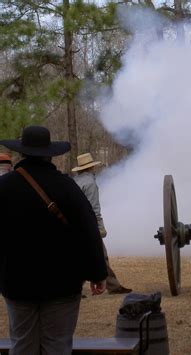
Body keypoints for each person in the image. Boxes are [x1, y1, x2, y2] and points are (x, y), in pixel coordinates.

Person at [0, 126, 107, 354]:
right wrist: (98, 274)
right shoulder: (68, 187)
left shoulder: (4, 187)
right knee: (57, 346)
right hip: (63, 283)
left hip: (17, 282)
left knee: (22, 345)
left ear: (22, 154)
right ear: (50, 154)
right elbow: (89, 231)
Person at [72, 152, 132, 295]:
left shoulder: (76, 181)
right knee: (101, 255)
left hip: (76, 224)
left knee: (81, 255)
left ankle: (78, 288)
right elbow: (94, 208)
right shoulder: (90, 183)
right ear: (91, 168)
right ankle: (113, 286)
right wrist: (100, 228)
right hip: (88, 225)